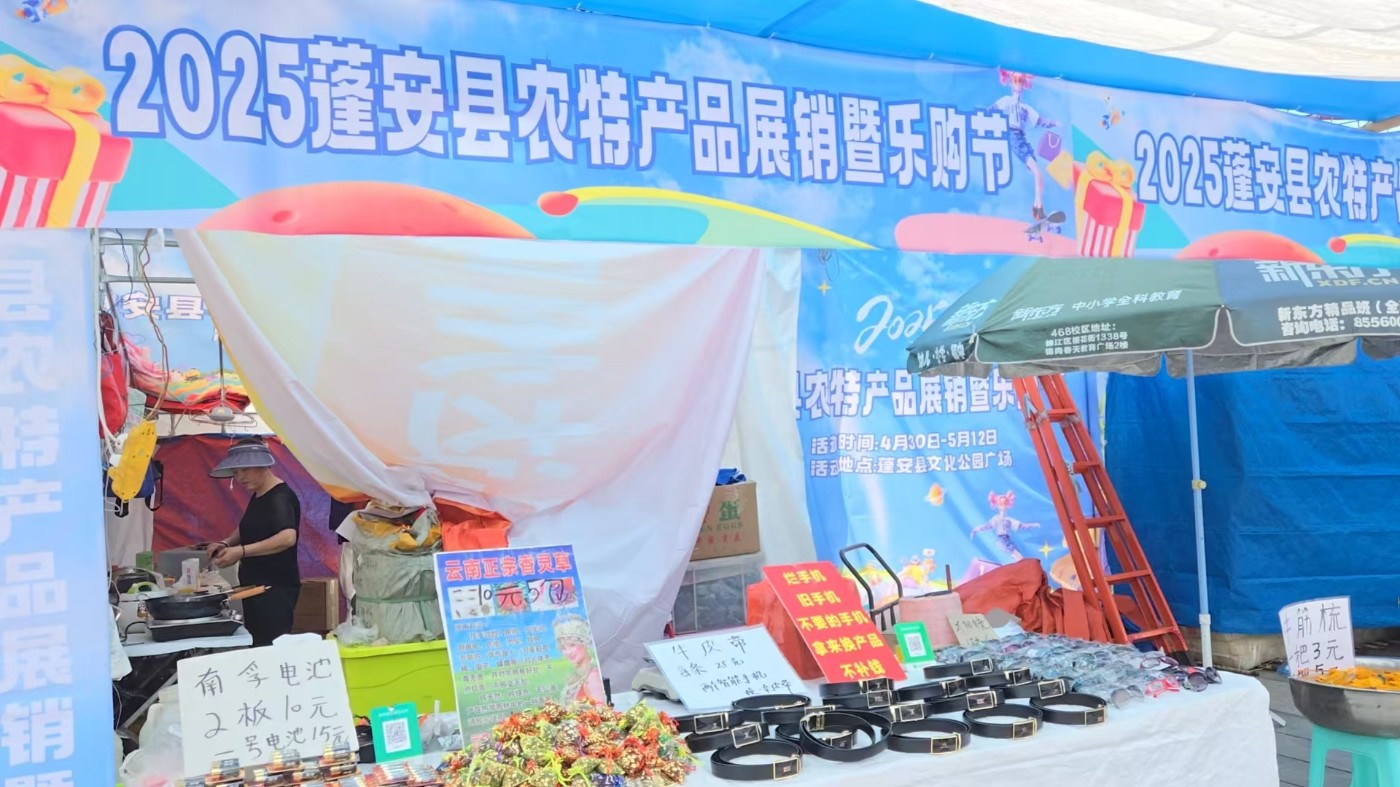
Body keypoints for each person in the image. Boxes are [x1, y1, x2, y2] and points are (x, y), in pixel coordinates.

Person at [205, 437, 302, 646]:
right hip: (254, 585)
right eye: (236, 472)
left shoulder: (280, 497)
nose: (239, 477)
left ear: (263, 466)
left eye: (244, 470)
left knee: (270, 646)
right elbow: (247, 527)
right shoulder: (259, 495)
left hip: (274, 589)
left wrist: (241, 551)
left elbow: (287, 538)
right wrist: (225, 543)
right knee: (256, 643)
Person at [553, 614, 604, 703]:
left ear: (584, 643)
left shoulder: (592, 676)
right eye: (563, 648)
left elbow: (601, 708)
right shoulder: (577, 674)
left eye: (572, 645)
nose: (568, 652)